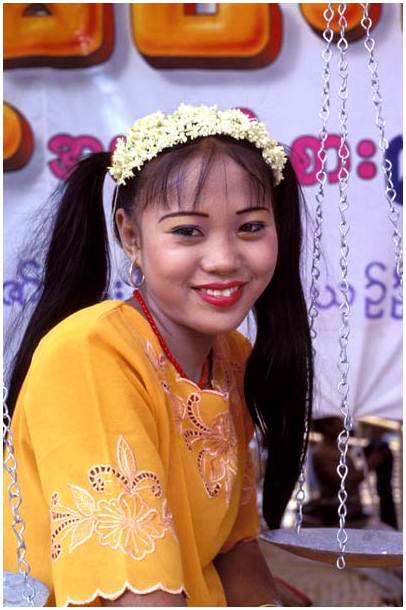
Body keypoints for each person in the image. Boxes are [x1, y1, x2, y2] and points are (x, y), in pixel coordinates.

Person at [4, 104, 313, 607]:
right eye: (188, 231)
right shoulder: (89, 353)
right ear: (132, 237)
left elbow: (235, 548)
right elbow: (136, 598)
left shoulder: (231, 356)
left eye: (251, 227)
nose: (223, 260)